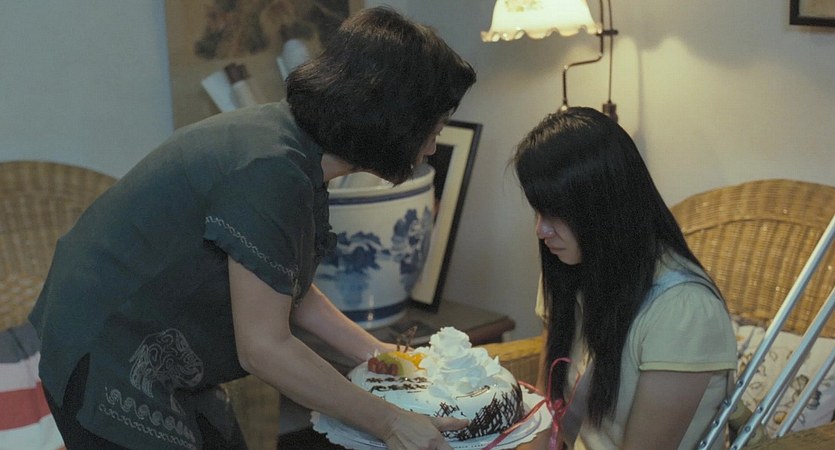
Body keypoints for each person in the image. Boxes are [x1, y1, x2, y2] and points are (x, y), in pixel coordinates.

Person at [29, 7, 475, 450]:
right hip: (105, 349)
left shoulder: (294, 143)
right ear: (394, 120)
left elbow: (286, 285)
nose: (431, 148)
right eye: (432, 131)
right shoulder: (271, 169)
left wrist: (379, 354)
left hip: (149, 341)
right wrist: (391, 422)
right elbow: (264, 349)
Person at [511, 108, 737, 450]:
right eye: (538, 210)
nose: (541, 230)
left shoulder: (683, 311)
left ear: (603, 206)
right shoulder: (569, 265)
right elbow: (548, 415)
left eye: (555, 212)